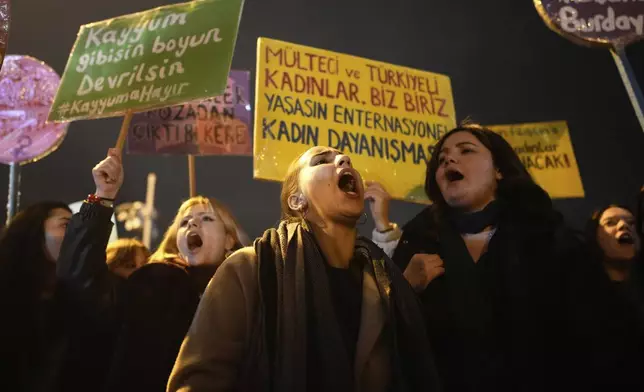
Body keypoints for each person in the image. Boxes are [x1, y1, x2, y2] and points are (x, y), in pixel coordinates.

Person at [167, 146, 440, 392]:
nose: (344, 160)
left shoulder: (385, 285)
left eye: (345, 159)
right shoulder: (249, 270)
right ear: (297, 201)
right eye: (323, 160)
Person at [367, 124, 582, 391]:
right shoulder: (416, 241)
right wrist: (404, 289)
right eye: (441, 158)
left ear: (499, 170)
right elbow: (387, 345)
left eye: (466, 150)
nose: (449, 160)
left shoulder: (548, 236)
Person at [57, 148, 247, 392]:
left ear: (229, 241)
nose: (193, 223)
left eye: (207, 218)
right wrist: (104, 196)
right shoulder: (156, 282)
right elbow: (83, 283)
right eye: (184, 222)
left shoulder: (243, 297)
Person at [573, 205, 644, 390]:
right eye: (610, 223)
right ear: (595, 237)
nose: (624, 226)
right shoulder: (581, 304)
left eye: (632, 223)